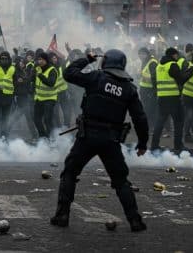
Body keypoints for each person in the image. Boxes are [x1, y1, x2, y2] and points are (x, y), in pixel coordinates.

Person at [50, 49, 148, 232]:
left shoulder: (96, 77)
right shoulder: (129, 88)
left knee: (70, 173)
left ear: (105, 62)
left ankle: (62, 215)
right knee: (121, 181)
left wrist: (87, 59)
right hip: (111, 140)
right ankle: (135, 220)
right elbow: (140, 118)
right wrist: (142, 143)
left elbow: (69, 73)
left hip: (87, 137)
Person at [150, 48, 192, 152]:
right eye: (176, 55)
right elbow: (181, 79)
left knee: (160, 122)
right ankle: (178, 146)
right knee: (178, 122)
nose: (177, 57)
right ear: (173, 55)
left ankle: (154, 145)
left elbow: (154, 80)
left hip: (162, 98)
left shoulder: (159, 66)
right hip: (173, 98)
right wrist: (190, 72)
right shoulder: (172, 65)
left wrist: (157, 92)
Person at [33, 52, 58, 139]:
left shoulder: (52, 70)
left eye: (41, 59)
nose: (39, 61)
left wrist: (40, 76)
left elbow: (51, 83)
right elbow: (32, 80)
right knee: (36, 119)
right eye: (38, 59)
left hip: (50, 99)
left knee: (47, 120)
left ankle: (51, 138)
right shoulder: (37, 69)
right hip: (39, 99)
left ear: (46, 60)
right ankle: (43, 138)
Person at [137, 47, 158, 133]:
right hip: (144, 89)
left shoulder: (152, 62)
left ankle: (151, 127)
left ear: (147, 54)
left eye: (142, 54)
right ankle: (147, 125)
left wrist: (143, 75)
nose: (140, 56)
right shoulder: (144, 62)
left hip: (150, 90)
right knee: (145, 108)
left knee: (150, 109)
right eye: (139, 54)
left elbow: (154, 77)